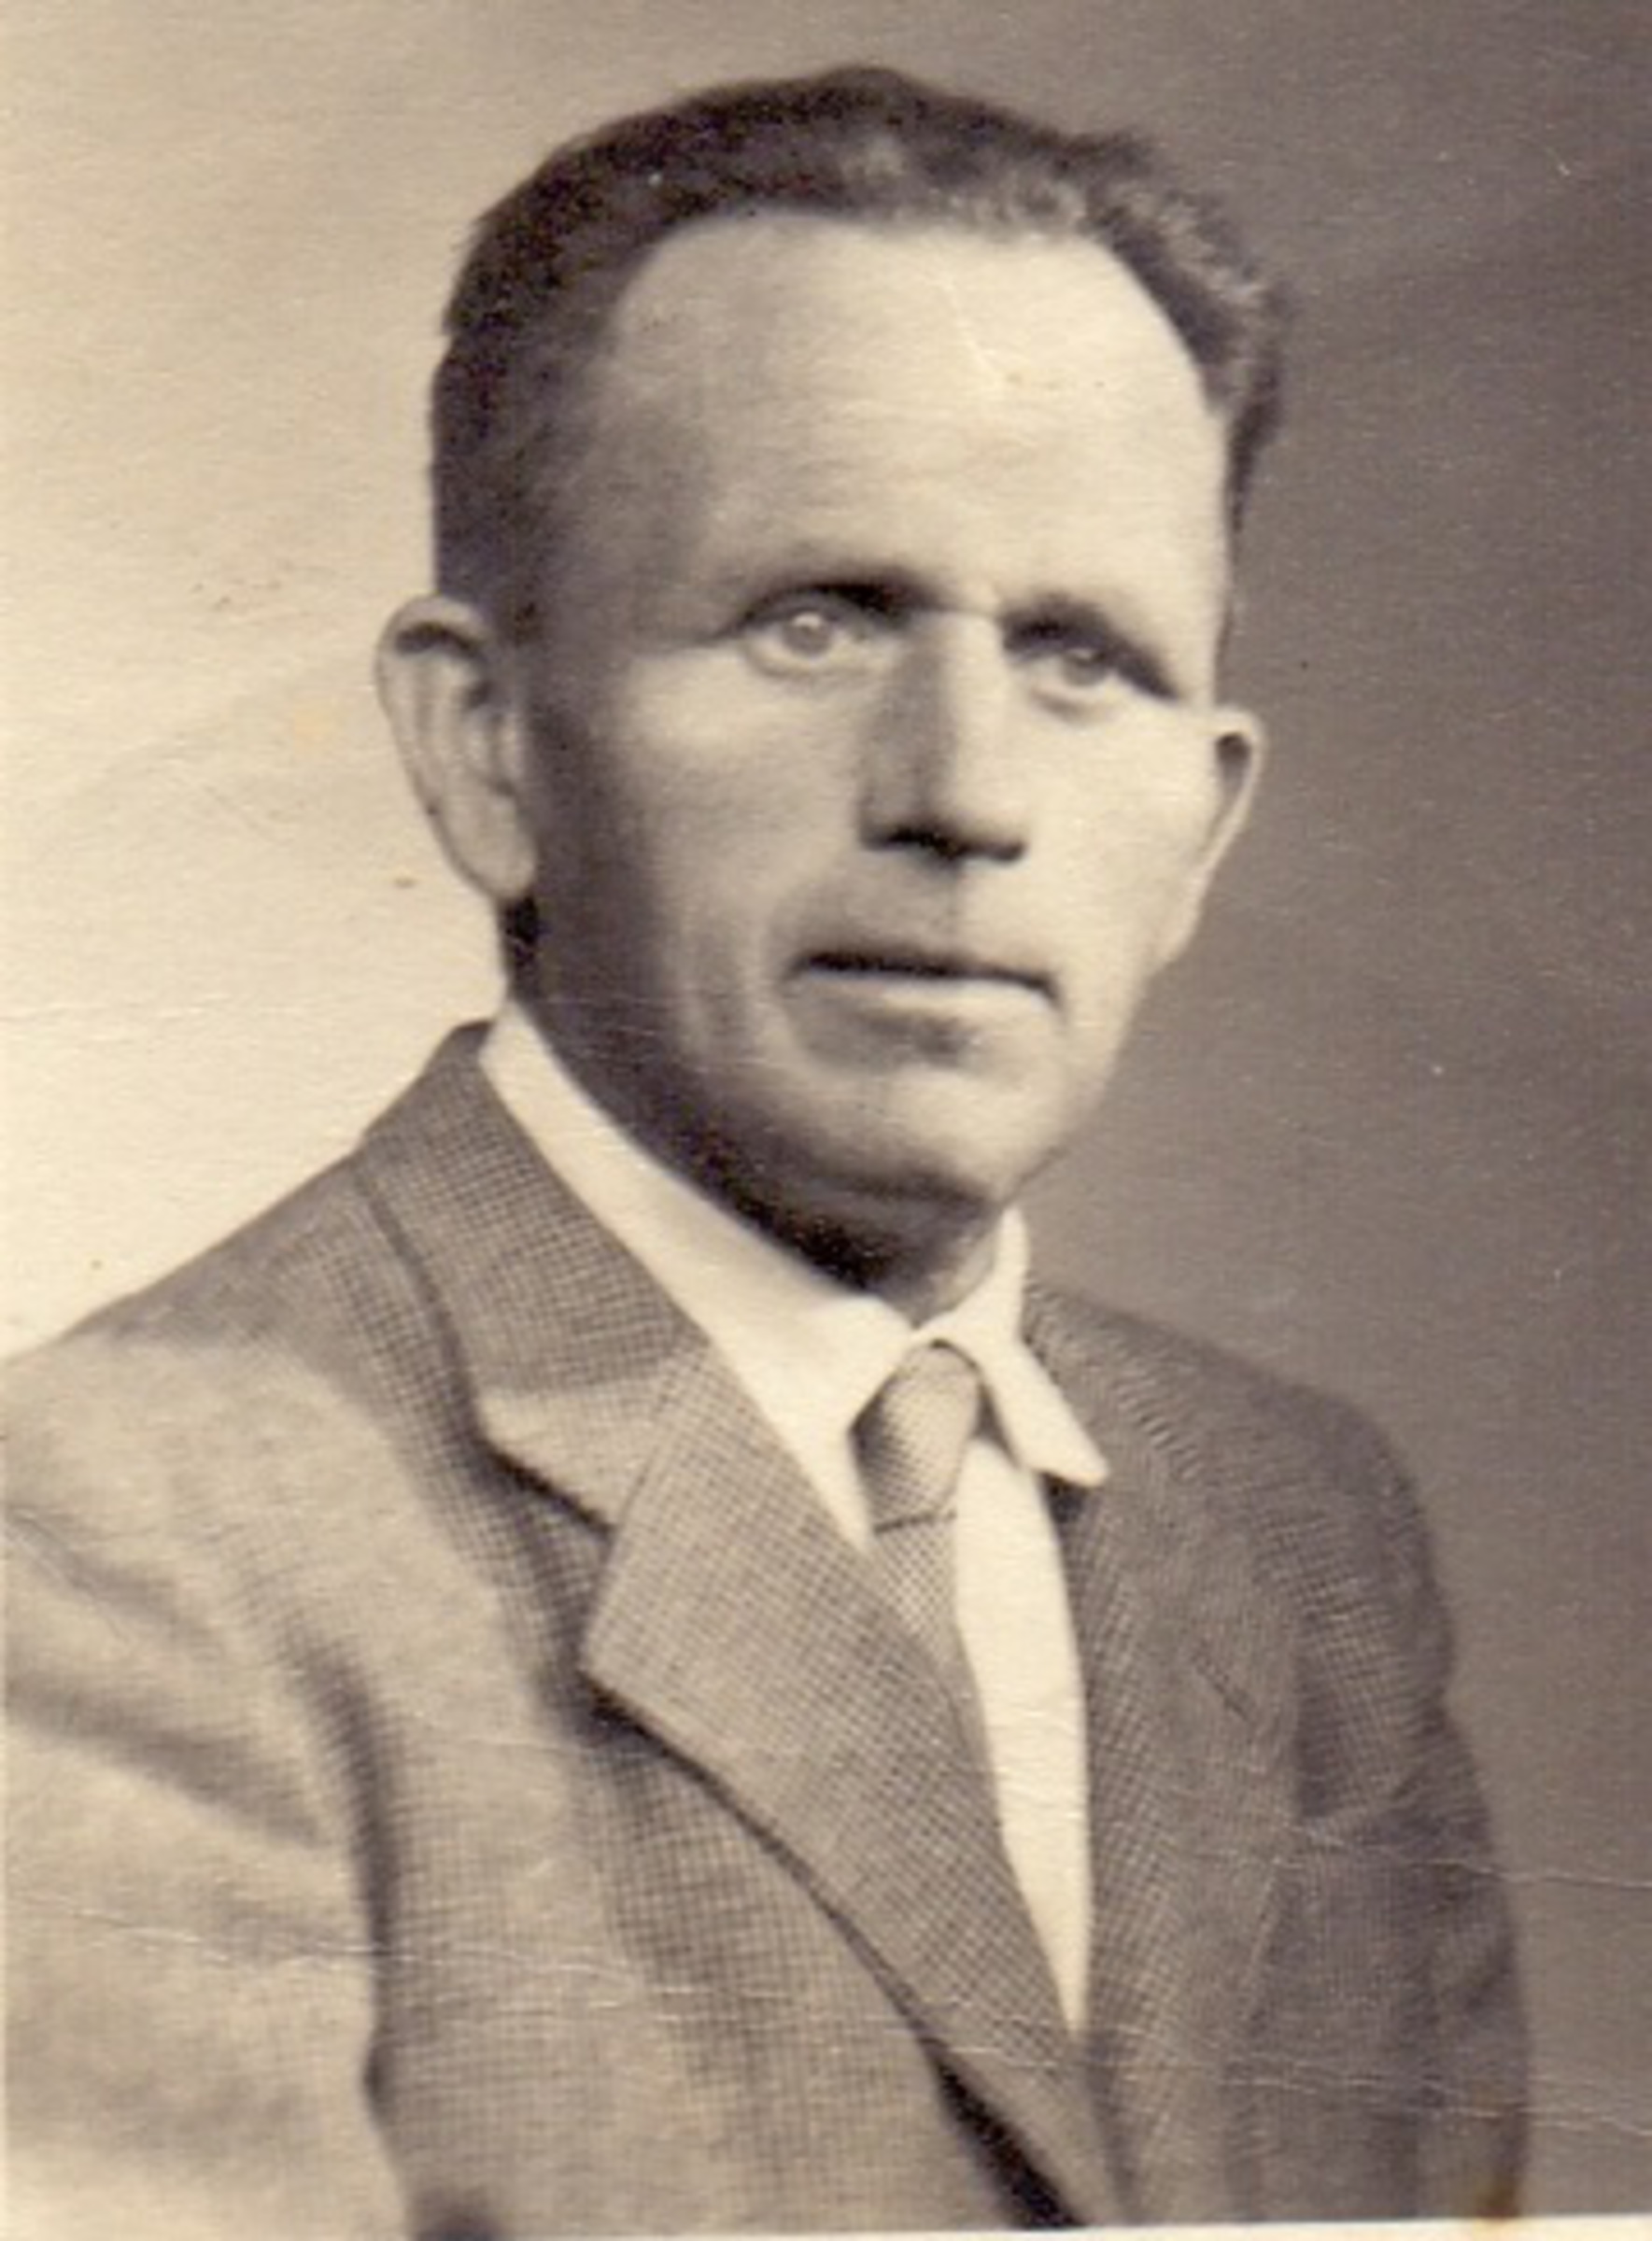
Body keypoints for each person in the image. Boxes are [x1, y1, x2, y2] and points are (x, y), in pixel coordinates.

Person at [6, 66, 1526, 2237]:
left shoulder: (1295, 1533)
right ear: (489, 746)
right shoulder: (115, 1541)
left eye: (1080, 657)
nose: (963, 790)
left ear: (1200, 827)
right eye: (816, 623)